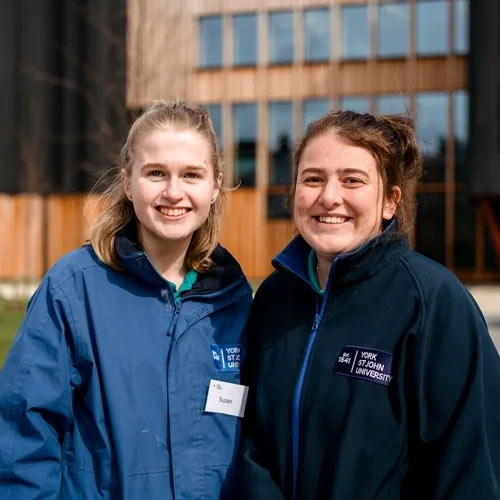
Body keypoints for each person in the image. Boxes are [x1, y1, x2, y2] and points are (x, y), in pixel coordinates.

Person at [235, 111, 500, 499]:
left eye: (352, 180)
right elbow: (252, 440)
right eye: (313, 179)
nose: (329, 197)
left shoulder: (433, 302)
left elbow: (473, 469)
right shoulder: (274, 297)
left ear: (390, 201)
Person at [0, 101, 252, 499]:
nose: (174, 191)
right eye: (155, 173)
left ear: (215, 185)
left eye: (191, 174)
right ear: (128, 182)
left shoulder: (235, 299)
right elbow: (22, 439)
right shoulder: (74, 289)